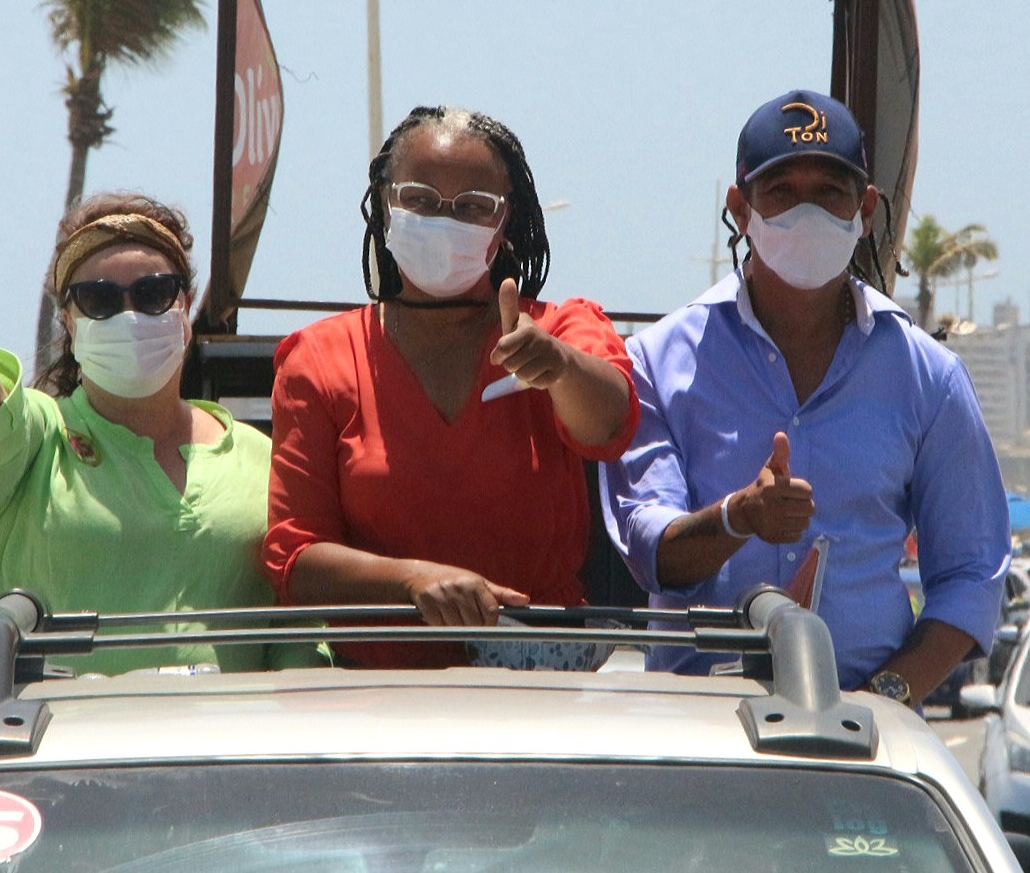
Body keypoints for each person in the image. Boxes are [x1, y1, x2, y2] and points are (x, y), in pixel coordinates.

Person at [600, 90, 1010, 706]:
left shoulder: (929, 375)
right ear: (740, 208)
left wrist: (887, 699)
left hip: (866, 730)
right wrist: (739, 517)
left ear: (865, 208)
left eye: (830, 191)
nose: (808, 212)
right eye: (782, 192)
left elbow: (971, 576)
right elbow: (650, 550)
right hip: (697, 725)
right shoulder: (657, 362)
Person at [0, 191, 321, 695]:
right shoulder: (38, 442)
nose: (129, 314)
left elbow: (296, 628)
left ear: (185, 304)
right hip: (51, 754)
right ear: (68, 319)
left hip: (223, 754)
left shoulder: (259, 457)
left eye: (153, 293)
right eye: (100, 299)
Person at [263, 105, 640, 667]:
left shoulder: (561, 326)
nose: (443, 219)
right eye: (418, 199)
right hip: (377, 702)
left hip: (537, 696)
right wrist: (414, 580)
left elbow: (610, 426)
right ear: (383, 206)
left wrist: (558, 366)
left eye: (472, 207)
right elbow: (294, 558)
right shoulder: (317, 358)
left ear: (505, 222)